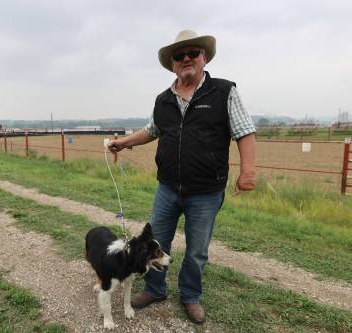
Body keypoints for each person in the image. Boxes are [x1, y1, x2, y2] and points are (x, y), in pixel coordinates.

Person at [108, 29, 256, 324]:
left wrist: (248, 171)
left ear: (204, 58)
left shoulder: (224, 91)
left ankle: (190, 296)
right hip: (167, 188)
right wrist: (123, 142)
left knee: (197, 250)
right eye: (179, 55)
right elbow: (152, 130)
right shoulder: (163, 100)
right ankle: (154, 289)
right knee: (155, 241)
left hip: (206, 191)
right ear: (172, 63)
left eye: (193, 53)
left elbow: (244, 131)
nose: (186, 58)